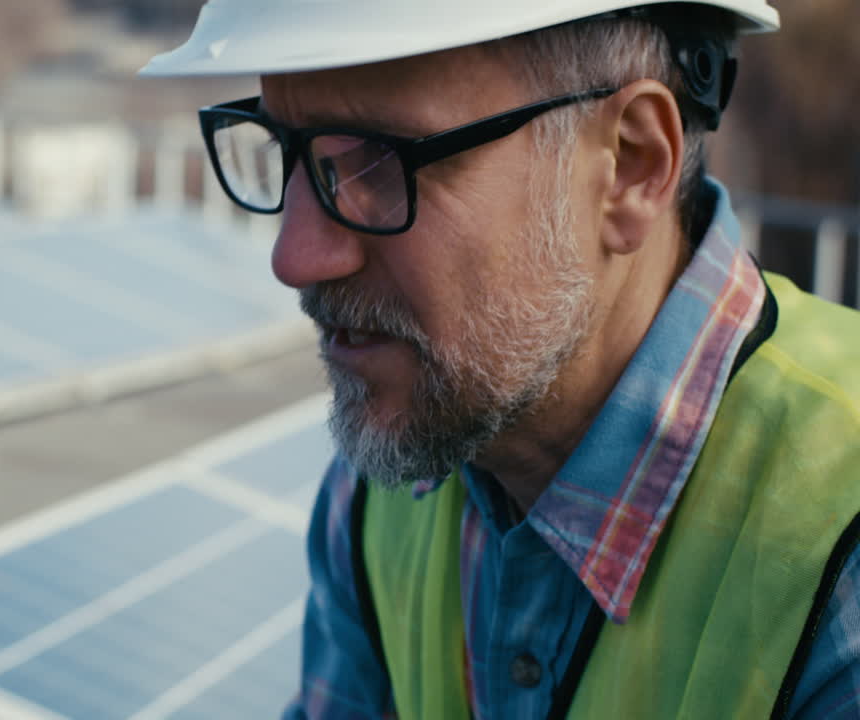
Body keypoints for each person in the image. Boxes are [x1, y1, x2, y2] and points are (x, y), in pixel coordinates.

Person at [143, 0, 860, 717]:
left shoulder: (841, 556)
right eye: (283, 150)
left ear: (631, 166)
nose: (295, 256)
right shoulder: (378, 495)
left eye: (380, 161)